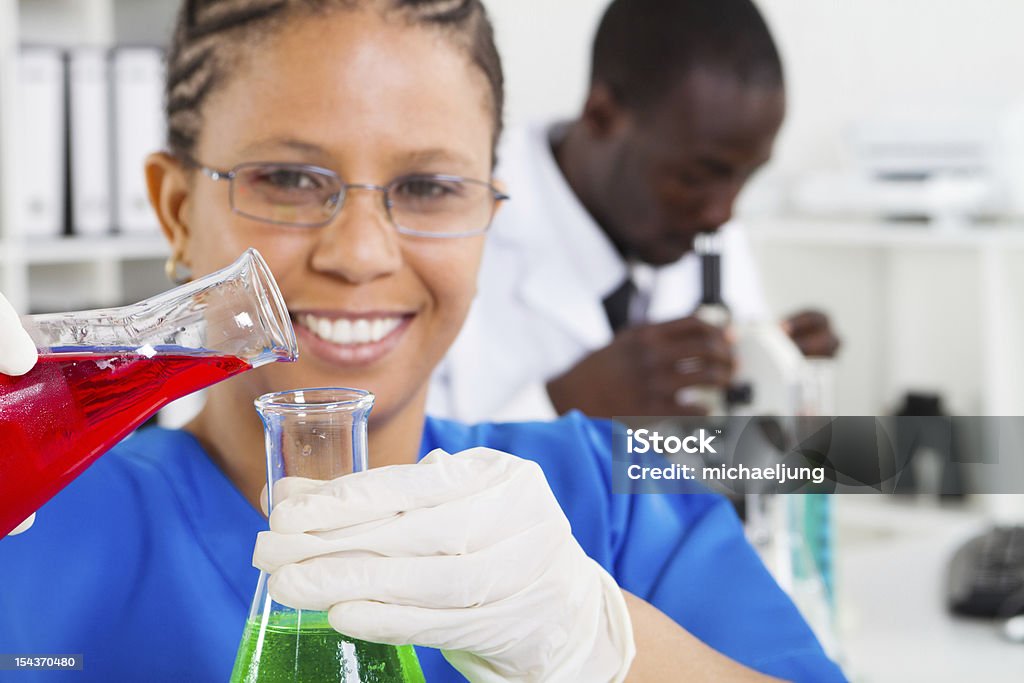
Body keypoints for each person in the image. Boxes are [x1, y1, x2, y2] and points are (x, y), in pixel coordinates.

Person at [0, 1, 846, 681]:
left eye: (431, 186)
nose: (361, 253)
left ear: (489, 211)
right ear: (178, 209)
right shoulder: (33, 521)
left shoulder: (617, 502)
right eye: (290, 180)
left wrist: (603, 648)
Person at [428, 0, 841, 423]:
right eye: (695, 177)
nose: (723, 214)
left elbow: (734, 457)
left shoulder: (700, 223)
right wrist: (562, 406)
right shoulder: (448, 217)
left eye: (744, 179)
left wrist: (779, 382)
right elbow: (399, 469)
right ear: (603, 116)